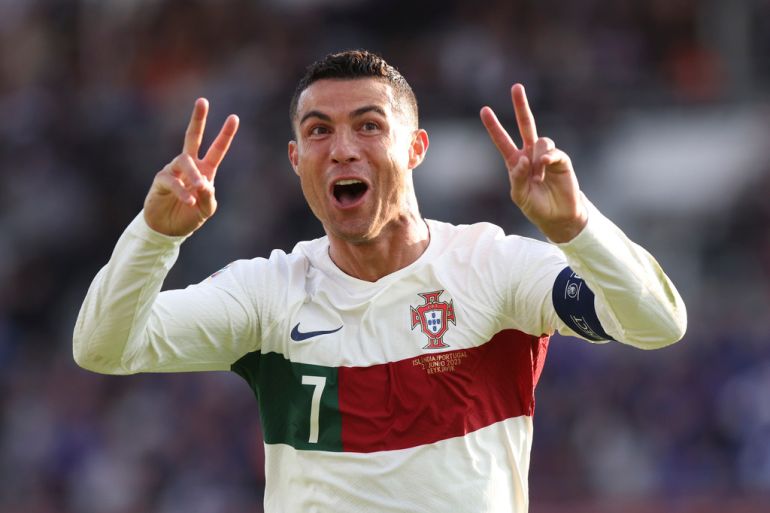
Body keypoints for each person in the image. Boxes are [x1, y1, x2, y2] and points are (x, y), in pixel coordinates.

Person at [73, 49, 687, 512]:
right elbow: (103, 348)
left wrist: (576, 227)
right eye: (318, 131)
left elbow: (659, 323)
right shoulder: (268, 293)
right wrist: (156, 234)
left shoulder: (492, 267)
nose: (342, 148)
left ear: (416, 146)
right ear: (296, 161)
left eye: (369, 125)